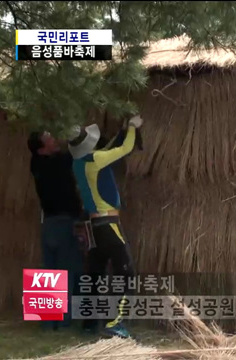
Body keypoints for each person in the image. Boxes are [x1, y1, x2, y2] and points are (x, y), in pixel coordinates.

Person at [68, 115, 143, 338]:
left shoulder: (77, 164)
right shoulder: (97, 159)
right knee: (126, 271)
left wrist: (118, 135)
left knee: (95, 274)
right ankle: (115, 322)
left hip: (93, 226)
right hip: (108, 224)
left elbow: (107, 151)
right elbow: (125, 148)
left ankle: (90, 324)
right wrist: (131, 127)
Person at [27, 130, 84, 330]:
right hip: (63, 223)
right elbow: (76, 153)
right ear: (42, 149)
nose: (54, 140)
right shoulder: (57, 163)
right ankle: (64, 322)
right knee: (66, 272)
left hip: (49, 224)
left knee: (49, 272)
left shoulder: (35, 163)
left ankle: (47, 323)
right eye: (49, 139)